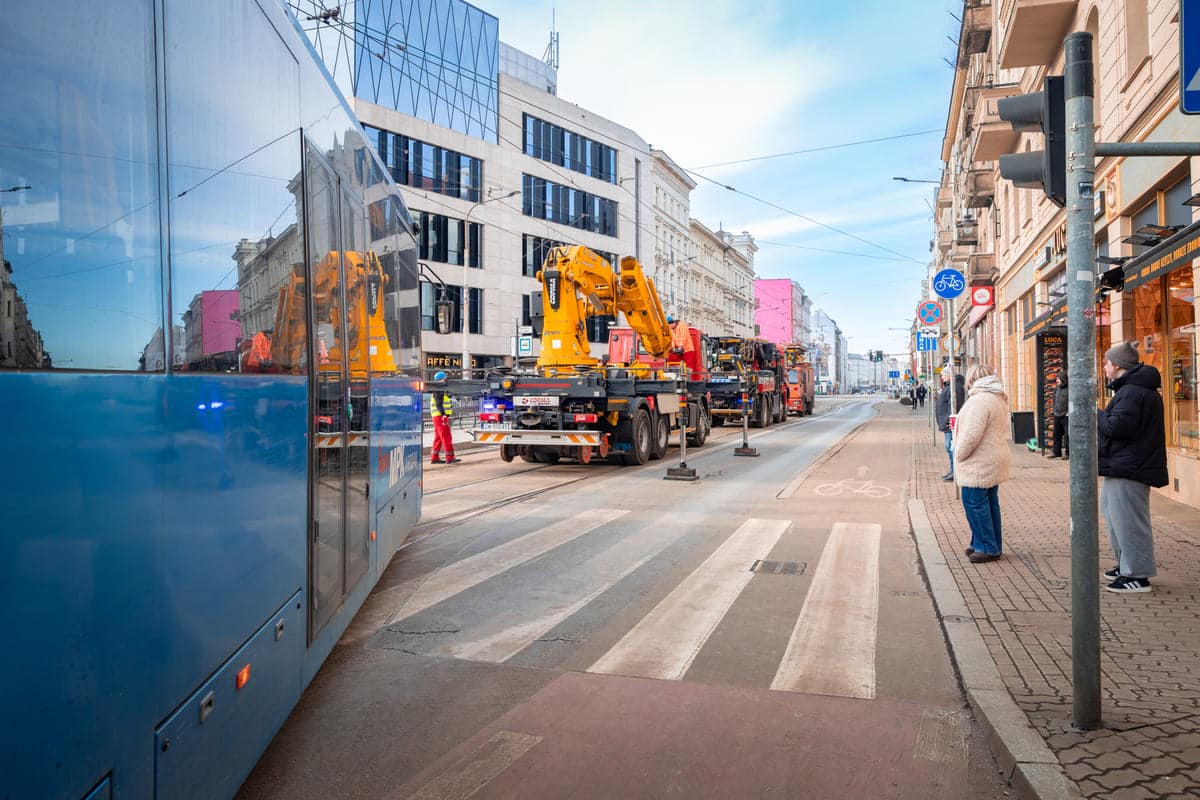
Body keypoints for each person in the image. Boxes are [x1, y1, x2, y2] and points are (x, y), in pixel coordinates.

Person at [1098, 341, 1168, 593]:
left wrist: (1095, 415)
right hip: (1124, 465)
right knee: (1115, 516)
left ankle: (1137, 575)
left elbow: (1118, 428)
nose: (1104, 367)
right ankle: (1126, 564)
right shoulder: (1131, 390)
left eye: (1106, 362)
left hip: (1130, 466)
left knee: (1128, 520)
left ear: (1116, 365)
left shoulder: (1132, 392)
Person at [953, 365, 1012, 563]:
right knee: (989, 503)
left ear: (972, 379)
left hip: (979, 462)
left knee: (974, 503)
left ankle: (986, 547)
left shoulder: (979, 401)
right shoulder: (997, 397)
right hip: (993, 458)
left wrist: (958, 454)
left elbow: (971, 435)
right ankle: (985, 542)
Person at [935, 368, 966, 481]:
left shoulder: (955, 387)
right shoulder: (950, 386)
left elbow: (954, 406)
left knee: (951, 448)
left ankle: (955, 473)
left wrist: (948, 420)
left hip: (950, 424)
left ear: (949, 375)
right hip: (947, 423)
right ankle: (953, 471)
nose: (942, 377)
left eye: (943, 375)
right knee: (950, 448)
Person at [429, 371, 459, 465]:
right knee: (446, 437)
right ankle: (450, 458)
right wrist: (444, 415)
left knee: (438, 438)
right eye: (445, 378)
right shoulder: (439, 389)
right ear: (441, 380)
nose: (447, 380)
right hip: (440, 417)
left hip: (437, 416)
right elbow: (439, 404)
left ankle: (434, 457)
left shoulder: (439, 389)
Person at [1049, 373, 1069, 459]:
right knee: (1056, 435)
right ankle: (1056, 452)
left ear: (1063, 379)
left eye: (1058, 379)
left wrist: (1068, 412)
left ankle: (1068, 453)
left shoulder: (1069, 389)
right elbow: (1054, 399)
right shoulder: (1057, 388)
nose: (1056, 380)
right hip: (1057, 414)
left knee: (1067, 435)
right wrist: (1054, 410)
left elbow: (1071, 401)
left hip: (1066, 415)